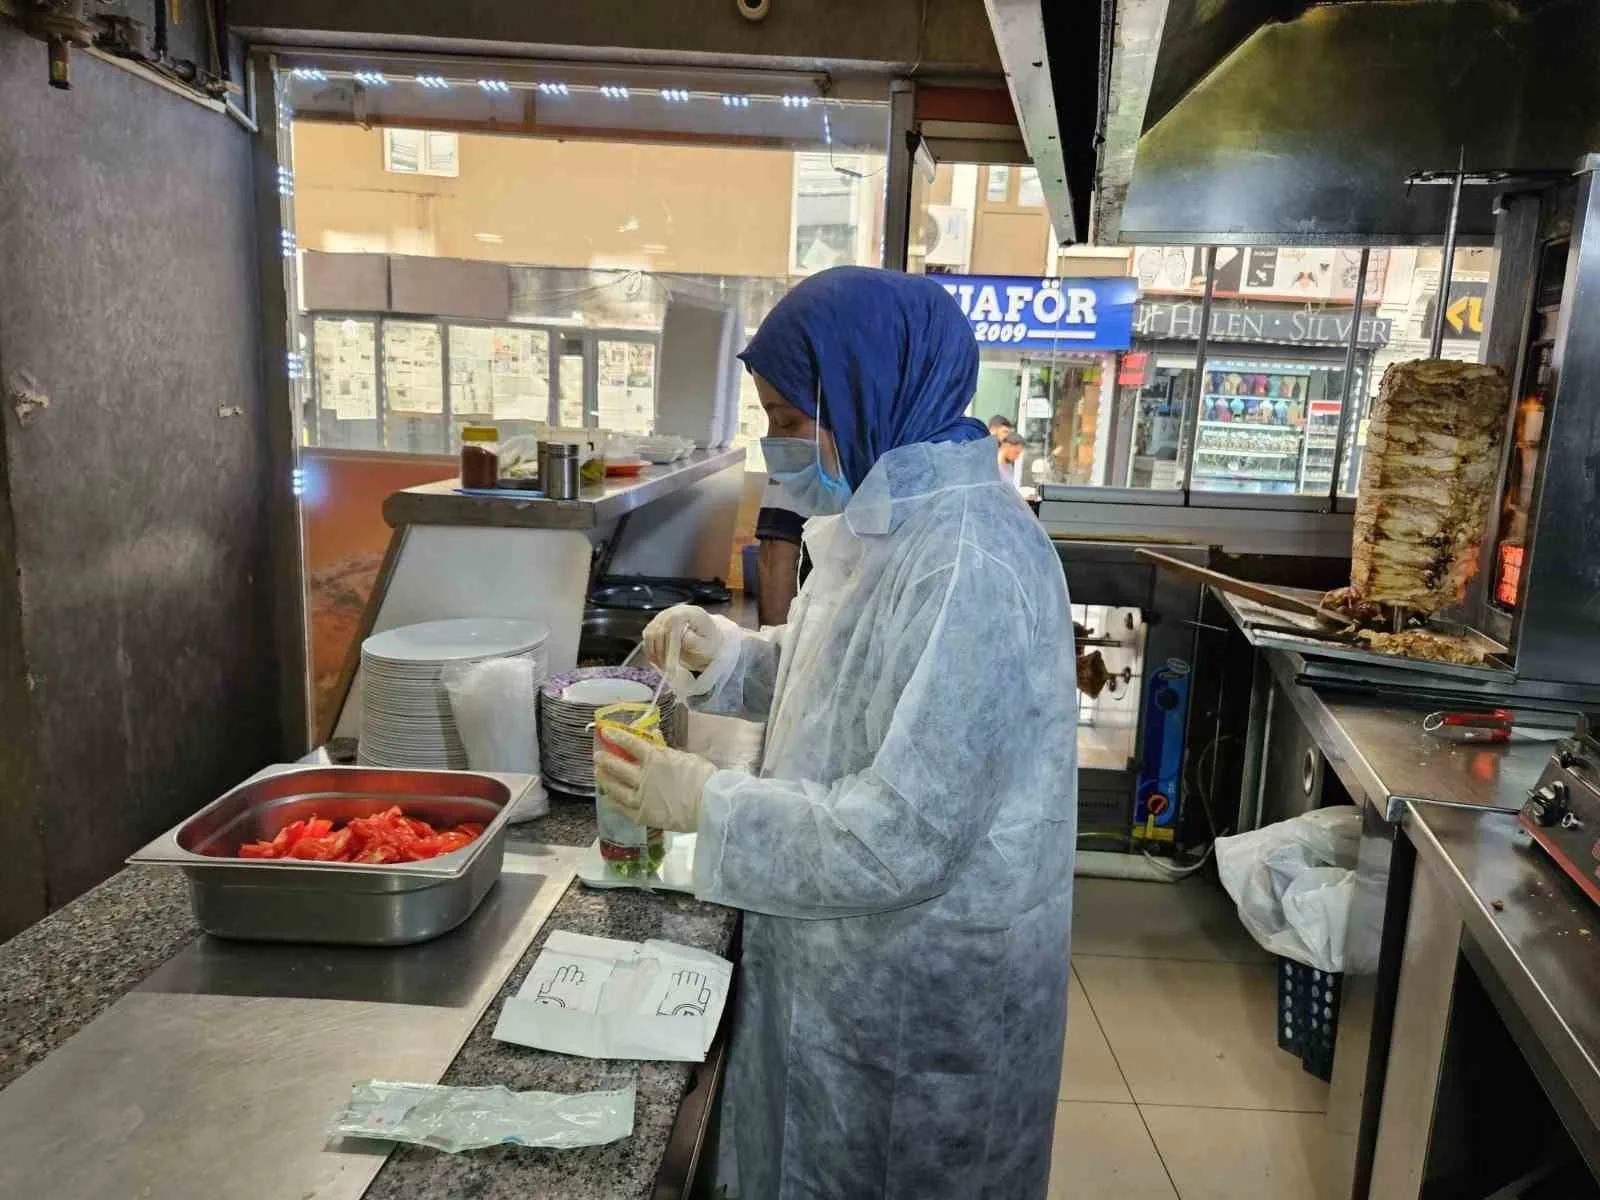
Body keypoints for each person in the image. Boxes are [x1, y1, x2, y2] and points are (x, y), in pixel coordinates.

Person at [594, 266, 1078, 1200]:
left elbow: (904, 836)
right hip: (847, 961)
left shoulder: (969, 562)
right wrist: (730, 659)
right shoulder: (886, 522)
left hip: (920, 1000)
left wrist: (706, 803)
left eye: (786, 418)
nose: (774, 447)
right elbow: (850, 683)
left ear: (861, 392)